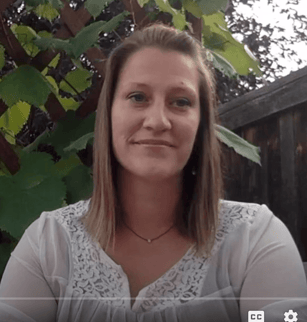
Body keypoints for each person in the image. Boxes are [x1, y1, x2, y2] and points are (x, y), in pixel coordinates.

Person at [0, 22, 306, 322]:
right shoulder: (48, 244)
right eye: (138, 97)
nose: (158, 120)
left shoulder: (254, 240)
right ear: (108, 115)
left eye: (181, 102)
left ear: (201, 124)